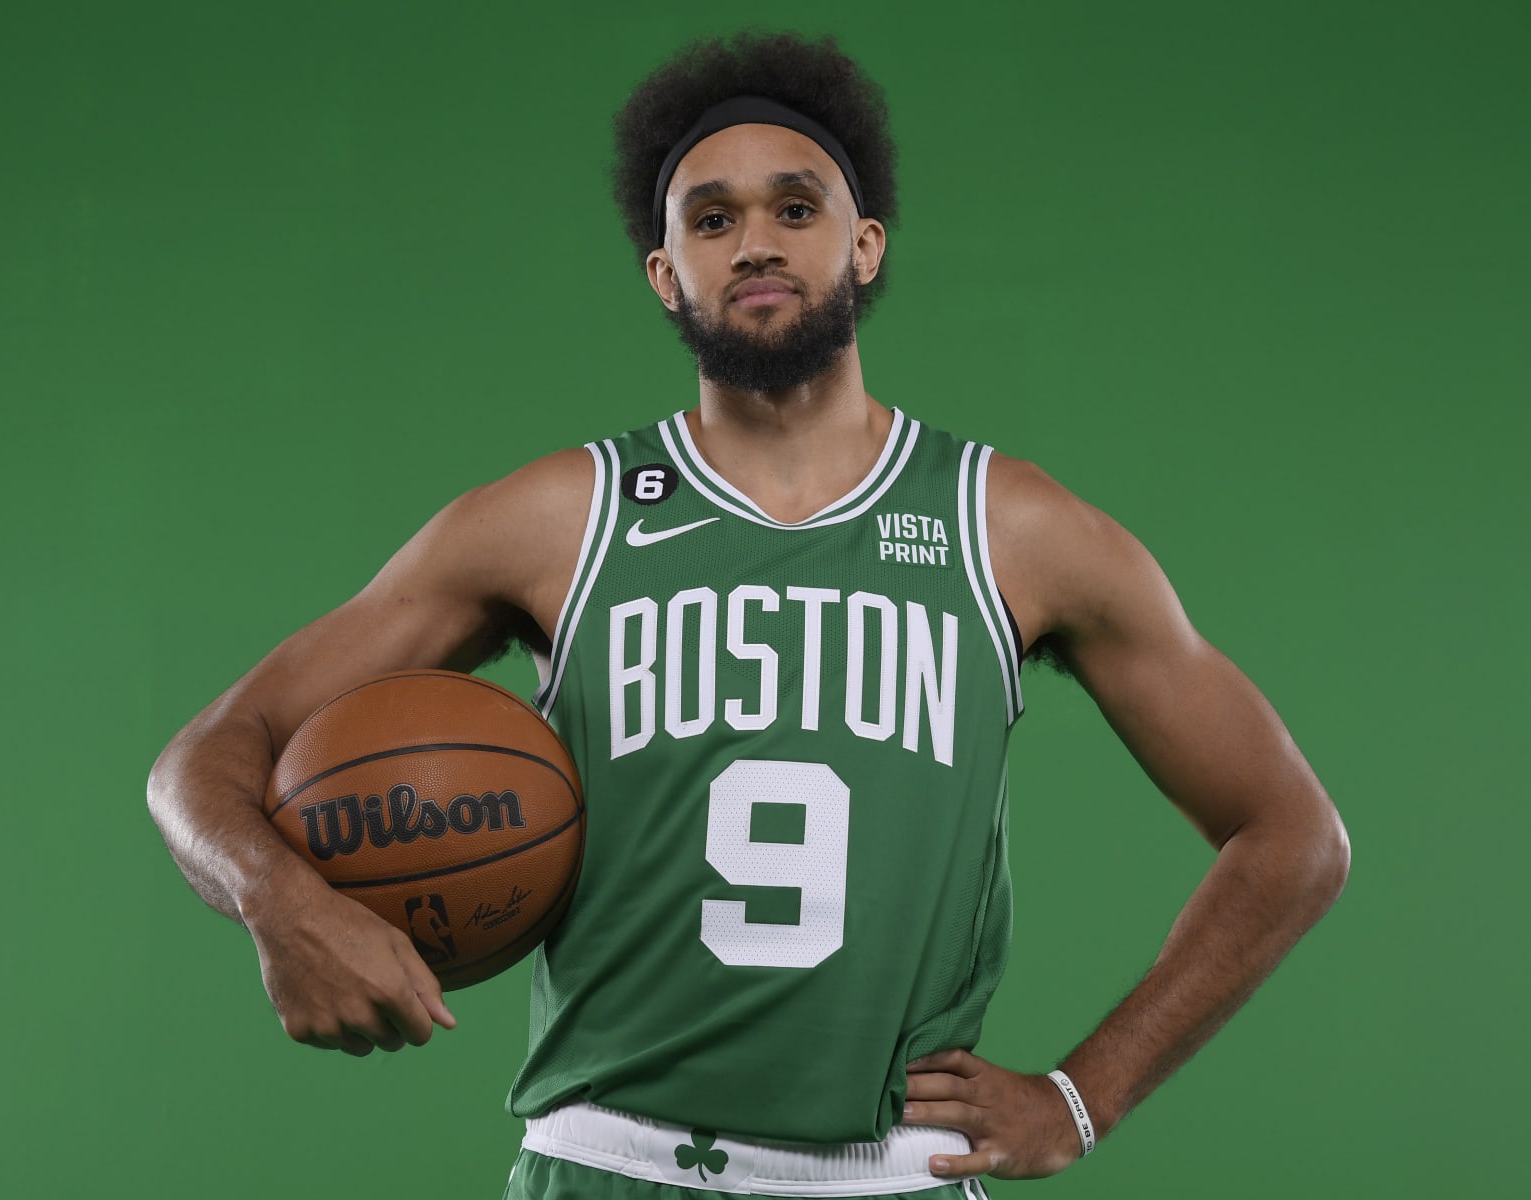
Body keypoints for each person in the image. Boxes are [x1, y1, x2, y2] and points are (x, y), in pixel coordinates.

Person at [147, 30, 1350, 1199]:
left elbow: (1292, 836)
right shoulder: (562, 517)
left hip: (893, 1174)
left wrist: (1085, 1097)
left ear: (865, 245)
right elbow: (206, 759)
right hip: (610, 1165)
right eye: (712, 219)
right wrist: (282, 901)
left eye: (796, 206)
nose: (756, 243)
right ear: (666, 273)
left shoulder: (1014, 529)